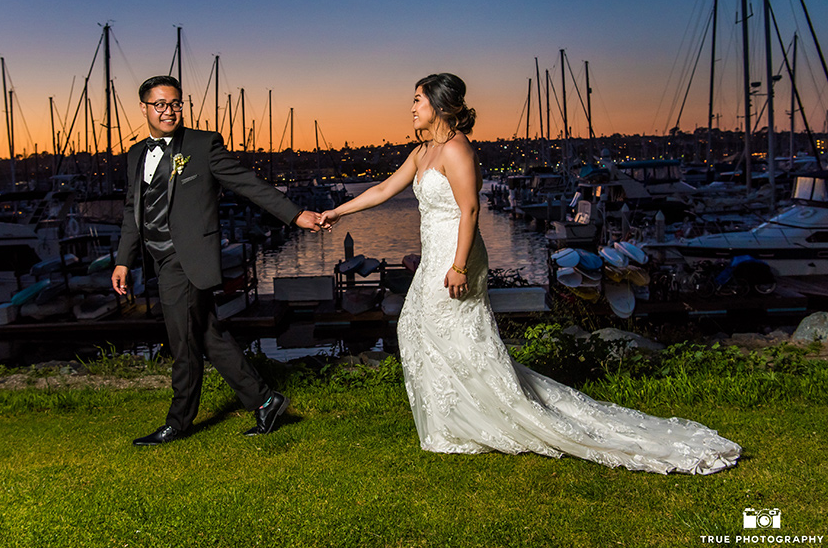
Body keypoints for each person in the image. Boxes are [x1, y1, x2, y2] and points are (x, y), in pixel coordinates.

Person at [319, 73, 740, 474]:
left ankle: (487, 418)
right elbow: (381, 190)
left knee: (453, 333)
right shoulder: (422, 151)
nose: (411, 107)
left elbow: (469, 209)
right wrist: (335, 212)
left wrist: (460, 265)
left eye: (417, 99)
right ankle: (456, 420)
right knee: (416, 327)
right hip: (435, 254)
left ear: (441, 105)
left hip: (458, 253)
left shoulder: (457, 149)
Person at [112, 75, 323, 446]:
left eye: (175, 103)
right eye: (160, 104)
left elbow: (248, 183)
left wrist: (295, 214)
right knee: (209, 334)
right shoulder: (135, 155)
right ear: (144, 108)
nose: (169, 110)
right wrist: (123, 260)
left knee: (183, 343)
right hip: (158, 258)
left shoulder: (201, 144)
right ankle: (265, 401)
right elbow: (134, 211)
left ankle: (178, 422)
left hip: (186, 257)